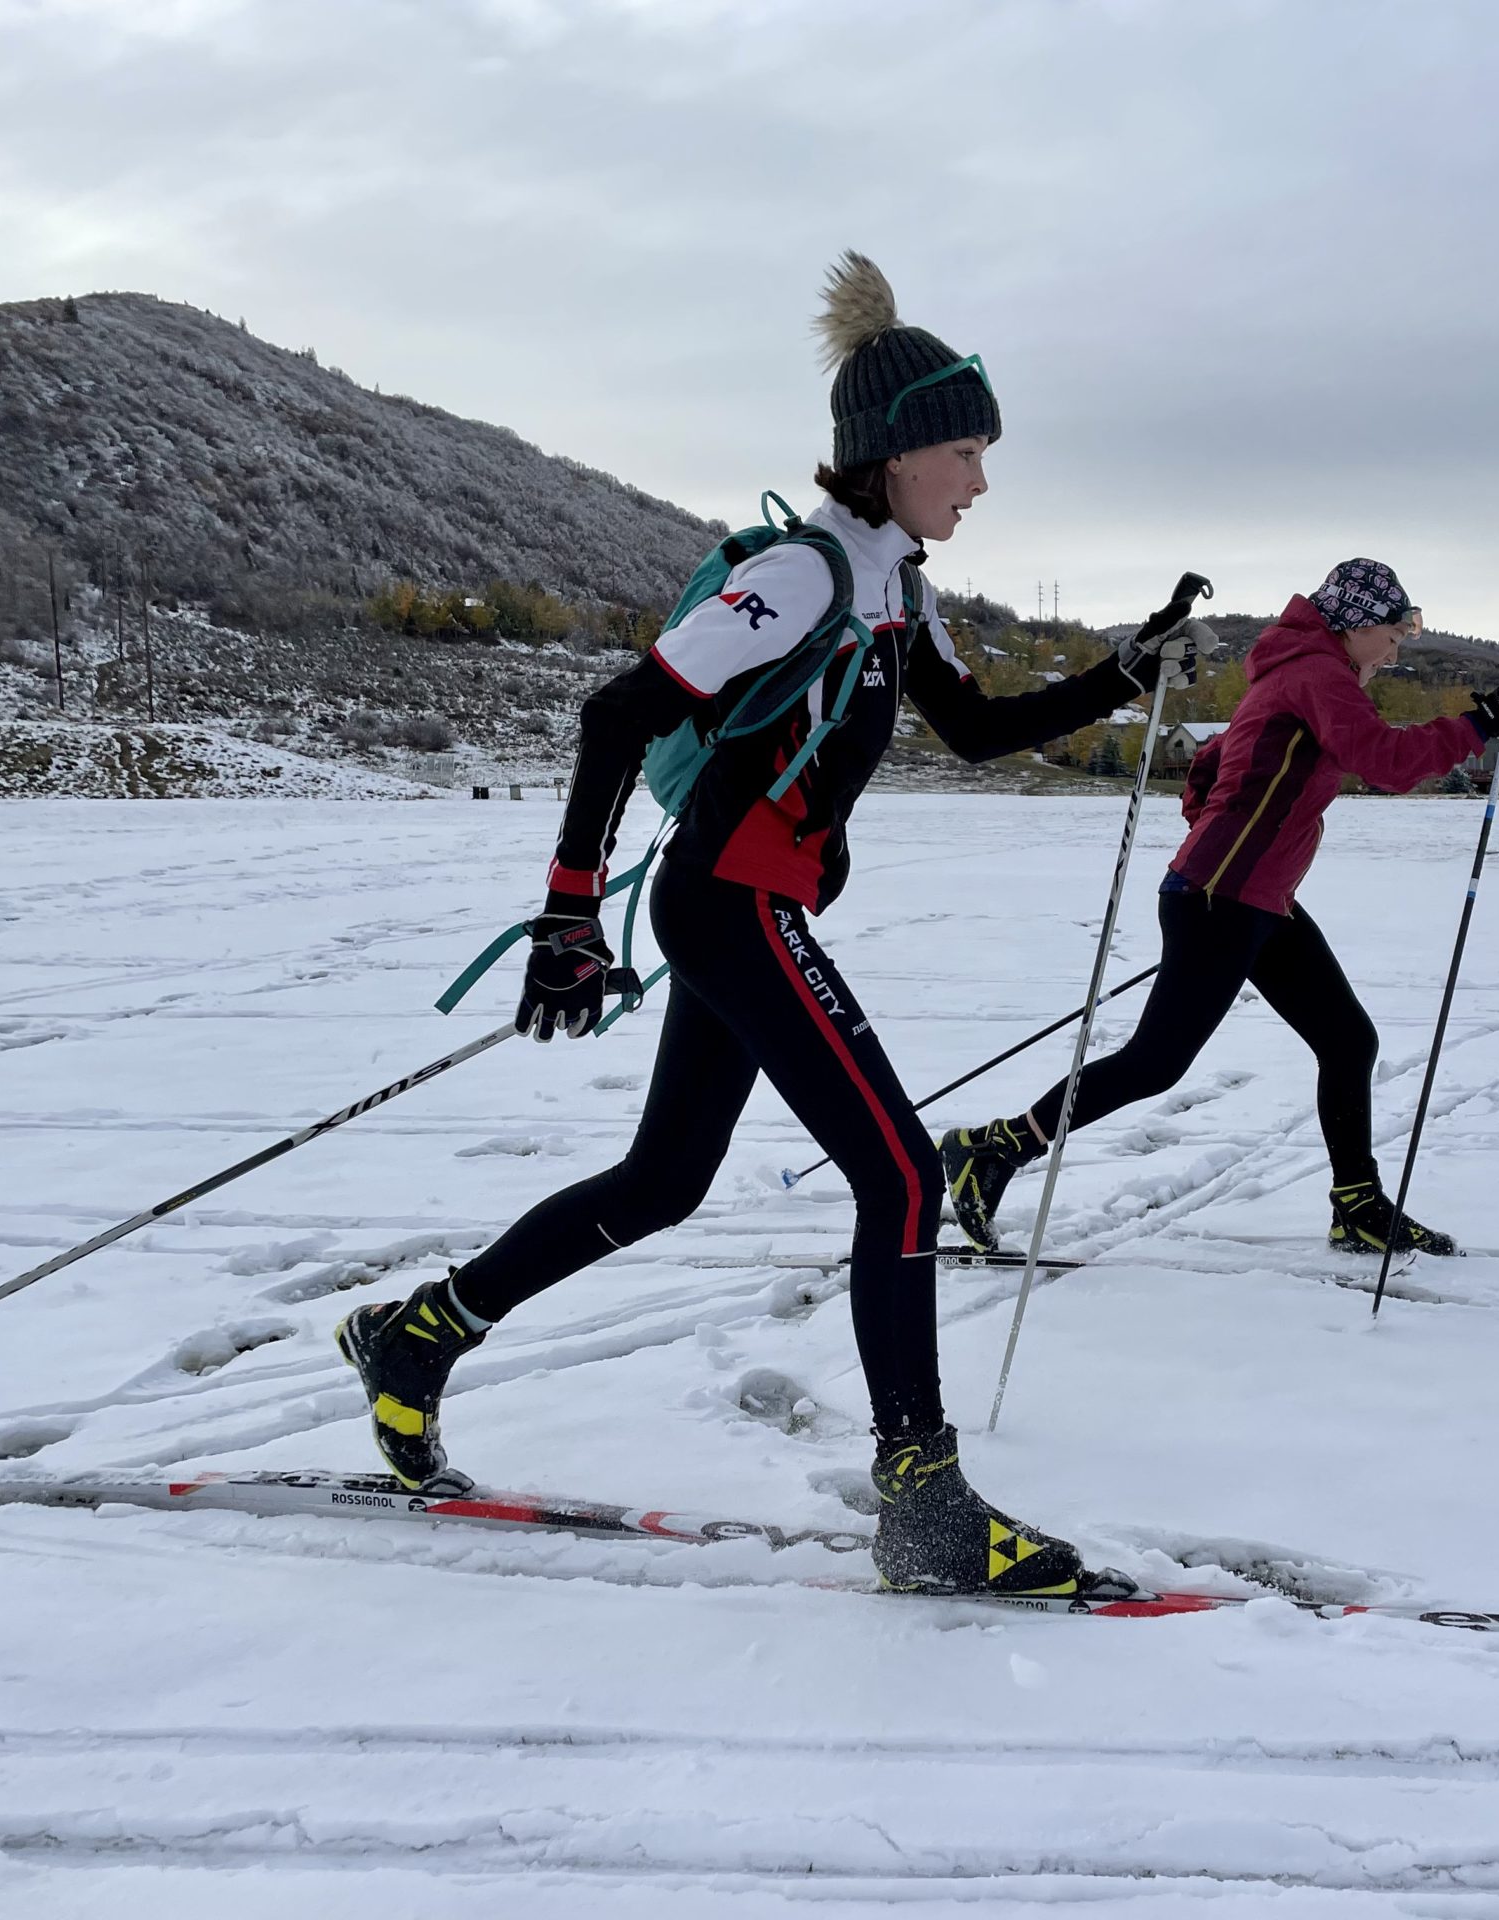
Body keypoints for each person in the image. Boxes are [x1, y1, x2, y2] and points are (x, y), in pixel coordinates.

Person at [335, 254, 1198, 1598]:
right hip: (725, 904)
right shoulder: (804, 575)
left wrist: (1122, 673)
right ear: (897, 452)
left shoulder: (897, 586)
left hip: (749, 905)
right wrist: (570, 910)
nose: (980, 479)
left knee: (664, 1182)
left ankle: (420, 1337)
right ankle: (924, 1505)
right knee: (905, 1178)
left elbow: (974, 734)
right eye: (966, 450)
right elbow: (623, 713)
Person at [941, 560, 1499, 1260]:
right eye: (1397, 626)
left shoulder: (1297, 674)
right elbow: (1386, 762)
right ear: (1355, 621)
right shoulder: (1317, 675)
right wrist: (1476, 725)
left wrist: (1223, 826)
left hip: (1254, 896)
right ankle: (993, 1150)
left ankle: (1359, 1206)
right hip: (1223, 898)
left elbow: (1213, 762)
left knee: (1349, 1041)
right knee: (1153, 1064)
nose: (1402, 641)